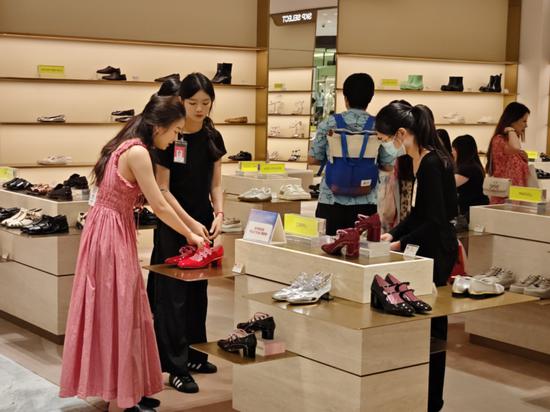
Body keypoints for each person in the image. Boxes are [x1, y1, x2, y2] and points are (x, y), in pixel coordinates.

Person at [60, 96, 206, 412]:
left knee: (118, 310)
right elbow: (160, 203)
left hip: (106, 230)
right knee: (121, 311)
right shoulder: (138, 152)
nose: (174, 139)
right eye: (174, 131)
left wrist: (190, 227)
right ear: (157, 126)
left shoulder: (124, 144)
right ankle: (122, 397)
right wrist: (190, 234)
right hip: (111, 234)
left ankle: (125, 390)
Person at [376, 100, 458, 412]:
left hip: (436, 252)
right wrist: (394, 234)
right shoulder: (421, 160)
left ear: (400, 133)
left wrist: (399, 242)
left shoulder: (433, 163)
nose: (386, 148)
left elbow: (435, 220)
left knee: (432, 326)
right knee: (423, 323)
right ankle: (419, 394)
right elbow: (419, 214)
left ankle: (431, 399)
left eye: (385, 141)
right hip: (427, 248)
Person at [147, 72, 226, 394]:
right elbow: (163, 190)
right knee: (172, 298)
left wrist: (219, 213)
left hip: (203, 221)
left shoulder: (212, 136)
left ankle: (194, 353)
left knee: (198, 294)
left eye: (206, 103)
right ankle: (175, 365)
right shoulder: (170, 136)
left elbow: (216, 183)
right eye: (193, 102)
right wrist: (188, 224)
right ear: (181, 101)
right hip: (173, 222)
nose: (199, 109)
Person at [308, 73, 401, 235]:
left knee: (327, 249)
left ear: (345, 98)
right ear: (370, 98)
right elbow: (388, 165)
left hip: (331, 199)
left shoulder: (329, 123)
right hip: (366, 200)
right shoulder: (378, 125)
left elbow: (313, 158)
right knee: (362, 252)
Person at [486, 102, 530, 204]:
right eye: (524, 121)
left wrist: (525, 161)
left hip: (516, 199)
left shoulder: (508, 142)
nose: (526, 125)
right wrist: (510, 129)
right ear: (512, 120)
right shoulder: (499, 140)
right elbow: (515, 147)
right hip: (505, 200)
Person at [452, 134, 489, 223]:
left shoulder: (467, 169)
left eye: (453, 149)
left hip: (470, 214)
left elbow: (448, 184)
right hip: (474, 210)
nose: (452, 152)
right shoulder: (474, 166)